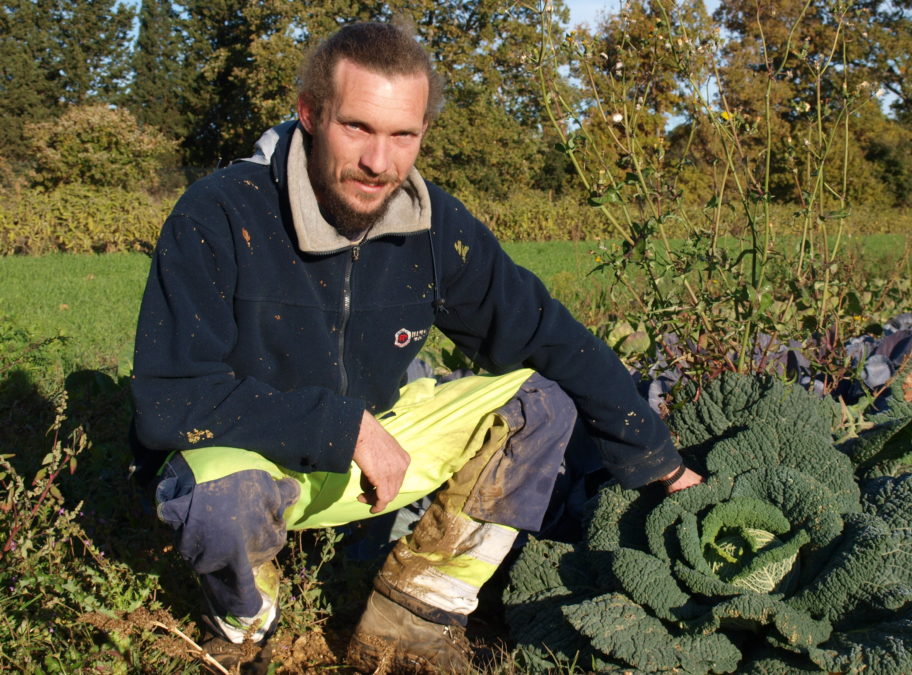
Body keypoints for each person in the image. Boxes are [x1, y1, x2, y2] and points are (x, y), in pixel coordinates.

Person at [130, 20, 702, 674]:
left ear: (423, 131)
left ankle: (412, 615)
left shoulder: (431, 226)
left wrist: (660, 462)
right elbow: (168, 400)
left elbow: (549, 334)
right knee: (213, 495)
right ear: (310, 113)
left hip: (379, 449)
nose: (381, 162)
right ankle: (247, 618)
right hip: (257, 458)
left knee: (537, 404)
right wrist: (341, 426)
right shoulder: (221, 214)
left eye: (404, 134)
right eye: (358, 128)